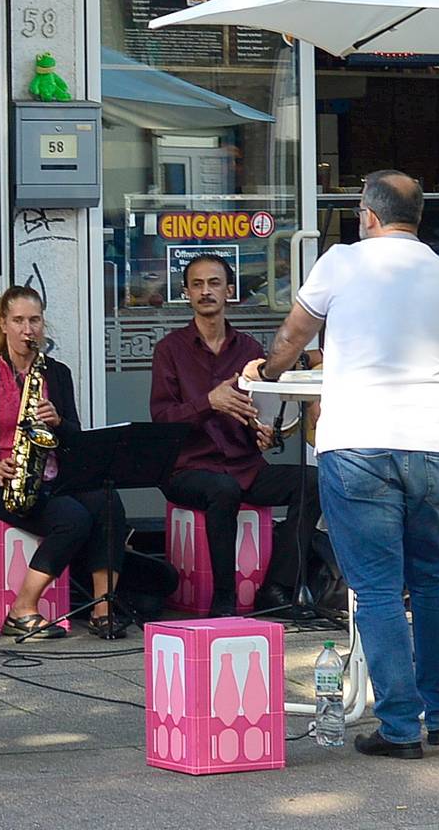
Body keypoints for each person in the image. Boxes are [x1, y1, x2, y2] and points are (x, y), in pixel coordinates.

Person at [243, 171, 439, 759]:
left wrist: (266, 375)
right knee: (436, 581)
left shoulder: (341, 262)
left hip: (361, 444)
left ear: (367, 214)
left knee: (375, 591)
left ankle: (399, 726)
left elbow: (294, 335)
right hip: (433, 446)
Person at [151, 254, 316, 615]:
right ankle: (224, 599)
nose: (205, 291)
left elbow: (261, 412)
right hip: (187, 470)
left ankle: (276, 588)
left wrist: (265, 433)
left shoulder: (250, 351)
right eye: (197, 284)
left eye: (213, 283)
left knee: (313, 481)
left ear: (229, 291)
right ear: (186, 294)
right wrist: (208, 402)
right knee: (221, 490)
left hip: (245, 466)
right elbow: (162, 420)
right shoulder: (169, 350)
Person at [0, 286, 128, 637]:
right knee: (73, 519)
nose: (28, 329)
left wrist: (58, 423)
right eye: (18, 320)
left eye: (34, 320)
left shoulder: (57, 374)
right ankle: (21, 609)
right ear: (3, 324)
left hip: (53, 478)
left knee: (108, 501)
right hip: (3, 484)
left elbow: (75, 437)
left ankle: (102, 609)